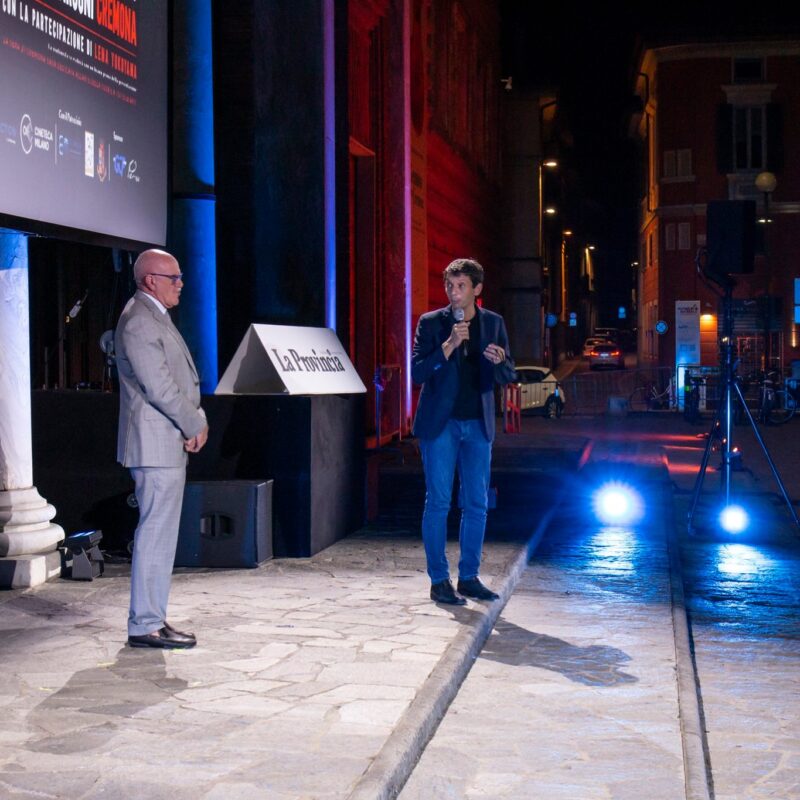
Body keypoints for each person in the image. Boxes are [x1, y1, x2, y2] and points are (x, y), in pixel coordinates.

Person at [115, 249, 209, 648]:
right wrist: (195, 421)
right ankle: (144, 624)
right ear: (150, 279)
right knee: (154, 534)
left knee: (162, 535)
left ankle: (153, 616)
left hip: (166, 441)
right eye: (174, 277)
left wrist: (192, 418)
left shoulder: (154, 316)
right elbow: (160, 387)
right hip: (155, 444)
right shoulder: (138, 320)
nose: (181, 284)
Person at [411, 258, 515, 605]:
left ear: (477, 290)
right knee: (438, 502)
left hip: (478, 424)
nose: (454, 294)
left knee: (476, 503)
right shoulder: (431, 324)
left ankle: (468, 577)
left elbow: (507, 374)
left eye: (461, 287)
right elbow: (418, 372)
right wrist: (449, 345)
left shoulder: (494, 323)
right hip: (440, 425)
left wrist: (501, 361)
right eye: (449, 287)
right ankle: (439, 580)